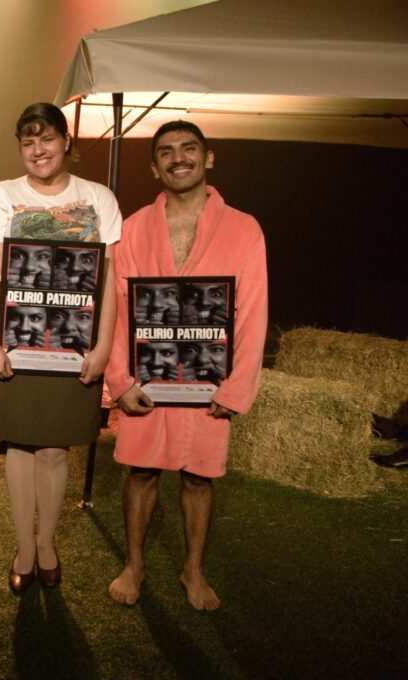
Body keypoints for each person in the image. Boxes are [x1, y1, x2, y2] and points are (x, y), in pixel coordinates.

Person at [0, 102, 120, 593]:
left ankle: (47, 543)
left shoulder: (99, 198)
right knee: (20, 445)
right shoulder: (2, 195)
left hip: (74, 345)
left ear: (66, 141)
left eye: (46, 139)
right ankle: (25, 548)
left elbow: (109, 281)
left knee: (54, 449)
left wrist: (104, 346)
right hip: (15, 339)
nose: (38, 150)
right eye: (28, 142)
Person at [105, 120, 267, 611]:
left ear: (208, 157)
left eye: (189, 148)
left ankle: (192, 569)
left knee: (199, 477)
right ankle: (134, 564)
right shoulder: (132, 229)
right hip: (147, 380)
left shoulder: (243, 228)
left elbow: (253, 311)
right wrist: (120, 380)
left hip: (207, 382)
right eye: (167, 152)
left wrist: (235, 388)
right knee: (141, 473)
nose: (179, 158)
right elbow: (117, 309)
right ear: (154, 167)